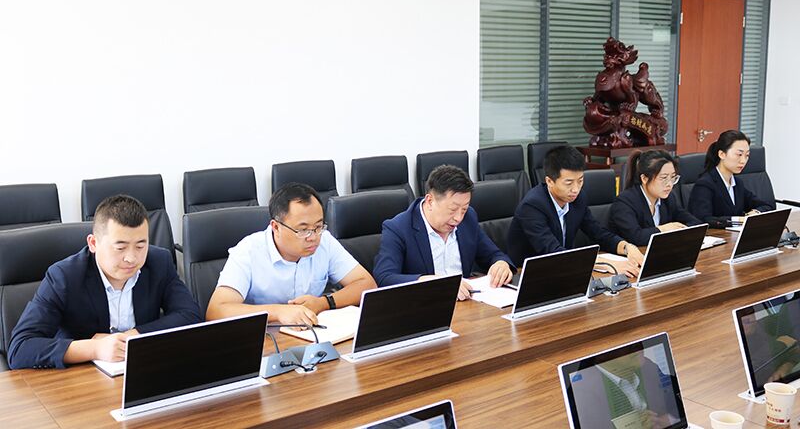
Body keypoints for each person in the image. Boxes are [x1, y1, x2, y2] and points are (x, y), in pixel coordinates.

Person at [8, 195, 202, 370]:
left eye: (140, 246)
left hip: (142, 369)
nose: (131, 258)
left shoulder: (159, 262)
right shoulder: (64, 276)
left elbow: (190, 315)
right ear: (93, 243)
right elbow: (20, 348)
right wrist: (95, 348)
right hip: (81, 379)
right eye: (120, 248)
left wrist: (132, 337)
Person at [206, 182, 376, 326]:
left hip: (311, 336)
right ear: (276, 227)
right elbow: (216, 311)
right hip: (266, 340)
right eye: (303, 230)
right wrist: (278, 312)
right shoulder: (248, 251)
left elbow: (366, 284)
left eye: (318, 226)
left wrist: (324, 303)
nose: (313, 237)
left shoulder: (325, 241)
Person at [372, 165, 515, 300]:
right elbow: (384, 277)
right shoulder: (398, 228)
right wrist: (432, 283)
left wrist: (501, 264)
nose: (458, 218)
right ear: (430, 201)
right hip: (428, 305)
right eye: (452, 210)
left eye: (464, 209)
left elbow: (493, 254)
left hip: (467, 302)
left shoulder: (468, 218)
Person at [507, 145, 644, 277]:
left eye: (580, 181)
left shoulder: (578, 199)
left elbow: (598, 233)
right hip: (527, 275)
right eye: (569, 183)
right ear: (549, 181)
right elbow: (553, 252)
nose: (576, 189)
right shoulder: (532, 206)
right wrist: (606, 264)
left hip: (564, 271)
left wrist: (627, 247)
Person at [609, 150, 701, 246]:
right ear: (644, 178)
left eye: (673, 177)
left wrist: (679, 230)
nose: (669, 184)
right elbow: (636, 237)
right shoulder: (624, 202)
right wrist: (663, 229)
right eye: (664, 178)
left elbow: (695, 223)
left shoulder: (668, 198)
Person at [688, 129, 772, 228]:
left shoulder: (737, 183)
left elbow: (767, 206)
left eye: (747, 155)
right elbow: (702, 220)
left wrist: (756, 212)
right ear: (722, 154)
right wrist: (737, 220)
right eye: (739, 155)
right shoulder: (705, 184)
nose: (743, 161)